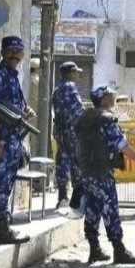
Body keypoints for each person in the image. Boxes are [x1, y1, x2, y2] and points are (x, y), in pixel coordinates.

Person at [76, 86, 135, 264]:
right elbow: (122, 145)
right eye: (111, 95)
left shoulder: (83, 118)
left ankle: (94, 249)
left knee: (92, 209)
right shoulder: (107, 119)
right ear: (103, 100)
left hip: (85, 172)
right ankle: (119, 249)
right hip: (101, 172)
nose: (113, 97)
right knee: (110, 208)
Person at [0, 35, 36, 244]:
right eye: (10, 50)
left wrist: (25, 111)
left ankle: (0, 227)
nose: (14, 54)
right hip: (1, 141)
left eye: (18, 51)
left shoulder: (13, 76)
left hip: (12, 140)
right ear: (2, 52)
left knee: (5, 185)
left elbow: (10, 107)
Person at [52, 61, 85, 208]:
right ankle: (78, 198)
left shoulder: (57, 88)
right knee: (76, 162)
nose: (78, 75)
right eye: (76, 72)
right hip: (72, 131)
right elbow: (78, 110)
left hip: (60, 130)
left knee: (62, 161)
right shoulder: (70, 87)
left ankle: (62, 195)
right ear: (70, 73)